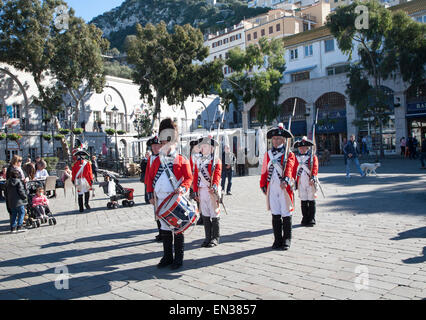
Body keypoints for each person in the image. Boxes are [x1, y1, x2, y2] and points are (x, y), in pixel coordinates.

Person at [145, 118, 193, 269]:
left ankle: (178, 259)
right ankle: (167, 257)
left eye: (168, 142)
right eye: (163, 142)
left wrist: (184, 188)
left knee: (177, 228)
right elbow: (150, 178)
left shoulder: (181, 159)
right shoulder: (156, 160)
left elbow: (189, 178)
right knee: (165, 229)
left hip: (175, 199)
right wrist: (150, 194)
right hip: (160, 200)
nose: (164, 145)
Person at [260, 123, 295, 250]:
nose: (276, 141)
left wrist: (286, 179)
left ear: (284, 140)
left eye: (279, 139)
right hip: (272, 187)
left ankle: (287, 239)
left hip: (283, 187)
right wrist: (262, 184)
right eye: (274, 138)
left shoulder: (289, 154)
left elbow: (290, 168)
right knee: (275, 213)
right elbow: (264, 170)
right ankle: (277, 240)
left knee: (286, 213)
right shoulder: (268, 154)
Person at [193, 136, 222, 248]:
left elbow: (218, 175)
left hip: (211, 190)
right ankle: (207, 237)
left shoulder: (215, 160)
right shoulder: (198, 161)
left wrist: (214, 186)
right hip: (201, 190)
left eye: (205, 146)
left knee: (214, 213)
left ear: (212, 149)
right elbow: (196, 177)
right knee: (205, 214)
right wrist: (195, 191)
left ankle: (215, 238)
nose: (202, 148)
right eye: (202, 146)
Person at [293, 137, 319, 227]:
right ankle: (305, 217)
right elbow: (293, 169)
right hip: (300, 181)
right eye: (300, 148)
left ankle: (311, 218)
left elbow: (315, 168)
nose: (302, 149)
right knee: (303, 200)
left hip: (309, 180)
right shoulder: (296, 157)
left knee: (311, 199)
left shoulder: (312, 157)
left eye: (304, 148)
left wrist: (313, 177)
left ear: (307, 148)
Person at [145, 137, 162, 241]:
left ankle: (168, 232)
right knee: (157, 212)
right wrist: (149, 192)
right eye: (153, 146)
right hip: (155, 188)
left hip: (163, 188)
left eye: (157, 146)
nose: (154, 148)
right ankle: (160, 231)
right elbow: (148, 176)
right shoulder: (151, 158)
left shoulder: (164, 157)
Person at [71, 147, 94, 213]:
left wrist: (73, 180)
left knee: (82, 193)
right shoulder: (87, 163)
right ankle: (84, 205)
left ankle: (82, 206)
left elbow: (74, 173)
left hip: (81, 180)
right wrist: (91, 179)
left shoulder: (75, 164)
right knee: (83, 193)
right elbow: (90, 172)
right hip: (83, 180)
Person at [5, 169, 27, 233]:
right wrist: (24, 197)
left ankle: (13, 228)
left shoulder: (7, 182)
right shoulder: (18, 181)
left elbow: (5, 193)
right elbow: (21, 191)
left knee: (13, 214)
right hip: (19, 201)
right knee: (22, 212)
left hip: (11, 201)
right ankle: (19, 226)